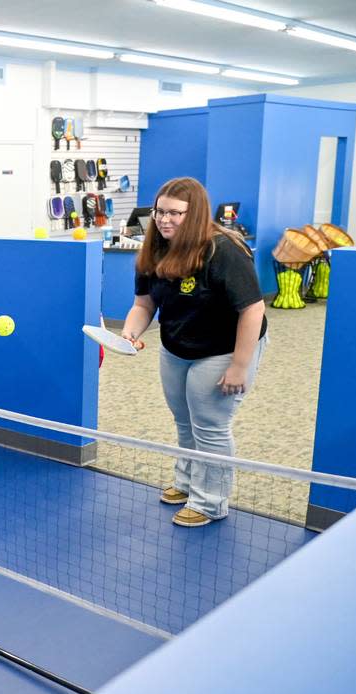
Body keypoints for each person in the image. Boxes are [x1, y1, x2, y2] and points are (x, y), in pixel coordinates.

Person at [120, 177, 268, 527]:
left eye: (175, 213)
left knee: (211, 425)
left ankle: (210, 502)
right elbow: (144, 303)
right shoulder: (154, 250)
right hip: (177, 344)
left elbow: (253, 310)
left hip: (224, 347)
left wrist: (239, 366)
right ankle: (186, 484)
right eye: (160, 211)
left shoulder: (222, 250)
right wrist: (129, 332)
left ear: (195, 213)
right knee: (184, 419)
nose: (164, 219)